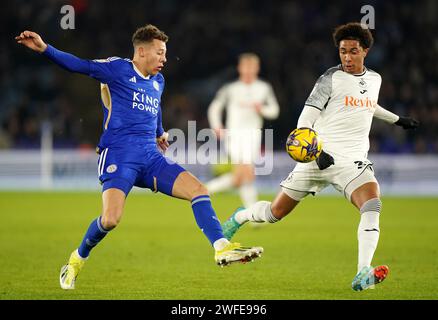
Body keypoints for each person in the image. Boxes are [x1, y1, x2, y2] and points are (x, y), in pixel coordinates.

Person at [15, 25, 263, 290]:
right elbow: (80, 65)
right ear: (142, 52)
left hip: (150, 156)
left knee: (198, 190)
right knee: (110, 219)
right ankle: (77, 259)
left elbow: (154, 108)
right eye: (160, 53)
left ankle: (221, 247)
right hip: (119, 154)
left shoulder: (159, 80)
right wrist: (45, 48)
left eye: (165, 53)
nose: (164, 58)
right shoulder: (117, 69)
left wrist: (159, 133)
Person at [221, 22, 419, 291]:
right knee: (274, 213)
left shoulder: (375, 79)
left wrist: (397, 120)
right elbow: (306, 119)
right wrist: (317, 152)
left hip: (352, 162)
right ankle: (240, 217)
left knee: (372, 206)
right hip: (316, 158)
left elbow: (369, 105)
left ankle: (363, 271)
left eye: (353, 51)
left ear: (366, 51)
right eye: (342, 51)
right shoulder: (330, 79)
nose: (347, 57)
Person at [206, 53, 280, 211]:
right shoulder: (231, 89)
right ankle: (252, 214)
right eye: (245, 66)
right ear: (240, 68)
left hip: (253, 135)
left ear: (257, 68)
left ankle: (205, 190)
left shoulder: (263, 88)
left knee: (244, 176)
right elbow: (214, 107)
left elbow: (274, 110)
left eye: (251, 67)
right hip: (234, 135)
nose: (248, 70)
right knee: (246, 171)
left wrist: (263, 109)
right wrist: (216, 125)